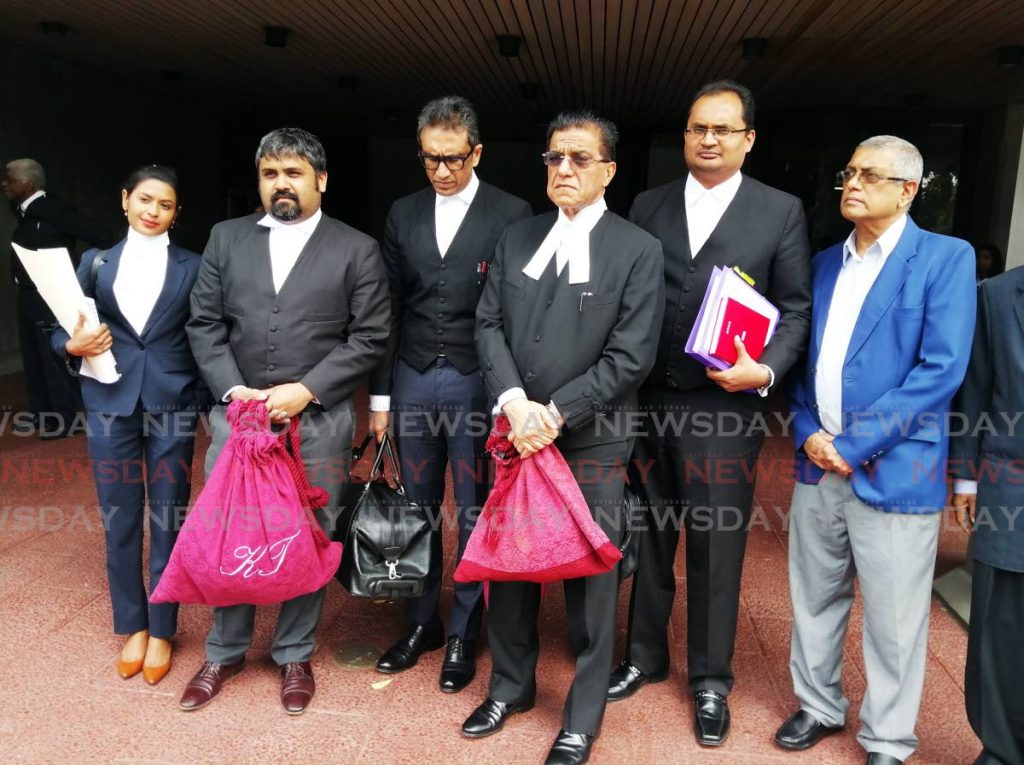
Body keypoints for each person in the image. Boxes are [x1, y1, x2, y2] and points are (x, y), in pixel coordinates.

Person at [608, 80, 812, 747]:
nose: (708, 139)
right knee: (649, 535)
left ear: (748, 138)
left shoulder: (779, 211)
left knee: (717, 546)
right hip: (649, 401)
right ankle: (643, 654)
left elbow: (796, 307)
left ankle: (710, 679)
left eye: (723, 129)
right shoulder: (647, 203)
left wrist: (769, 369)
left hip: (725, 408)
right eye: (698, 127)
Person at [465, 110, 664, 765]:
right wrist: (516, 403)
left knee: (592, 579)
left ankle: (582, 714)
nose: (565, 170)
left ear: (609, 169)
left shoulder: (636, 249)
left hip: (592, 440)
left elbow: (631, 355)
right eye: (555, 158)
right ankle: (511, 686)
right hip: (517, 430)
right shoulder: (518, 235)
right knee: (512, 566)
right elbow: (488, 323)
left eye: (581, 159)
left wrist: (554, 413)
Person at [776, 136, 976, 765]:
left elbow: (939, 369)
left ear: (908, 190)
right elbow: (804, 363)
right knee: (813, 598)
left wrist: (855, 443)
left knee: (894, 619)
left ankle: (888, 739)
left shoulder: (945, 258)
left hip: (894, 466)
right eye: (849, 172)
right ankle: (818, 706)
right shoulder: (825, 264)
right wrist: (808, 429)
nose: (852, 184)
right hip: (818, 461)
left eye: (869, 174)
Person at [184, 127, 390, 714]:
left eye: (294, 173)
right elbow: (204, 323)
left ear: (320, 180)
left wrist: (307, 390)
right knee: (233, 527)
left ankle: (294, 651)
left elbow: (371, 334)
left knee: (308, 530)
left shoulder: (356, 248)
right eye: (271, 173)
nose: (282, 183)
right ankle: (223, 650)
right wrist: (234, 391)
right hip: (238, 417)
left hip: (317, 421)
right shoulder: (226, 239)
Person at [368, 96, 531, 692]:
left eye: (454, 159)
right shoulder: (402, 213)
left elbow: (514, 312)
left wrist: (508, 394)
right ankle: (420, 622)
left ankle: (464, 626)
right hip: (411, 375)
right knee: (415, 506)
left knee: (472, 506)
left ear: (477, 152)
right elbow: (385, 310)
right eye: (431, 159)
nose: (442, 171)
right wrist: (380, 399)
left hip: (475, 378)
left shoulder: (512, 213)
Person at [49, 165, 200, 685]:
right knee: (120, 518)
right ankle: (132, 625)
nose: (153, 211)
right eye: (144, 200)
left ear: (176, 213)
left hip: (172, 402)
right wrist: (71, 347)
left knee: (167, 516)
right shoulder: (93, 263)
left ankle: (162, 627)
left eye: (165, 204)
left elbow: (204, 334)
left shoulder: (194, 267)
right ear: (125, 201)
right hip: (109, 400)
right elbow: (58, 326)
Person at [950, 265, 1024, 765]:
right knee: (1000, 625)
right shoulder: (998, 295)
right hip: (1010, 483)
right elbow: (975, 391)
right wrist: (967, 476)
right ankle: (999, 750)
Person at [4, 158, 111, 438]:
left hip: (48, 294)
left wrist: (88, 276)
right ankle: (43, 415)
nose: (5, 183)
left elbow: (98, 235)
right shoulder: (23, 210)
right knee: (33, 357)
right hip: (26, 296)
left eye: (10, 179)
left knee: (53, 356)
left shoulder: (54, 209)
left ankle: (65, 418)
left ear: (28, 183)